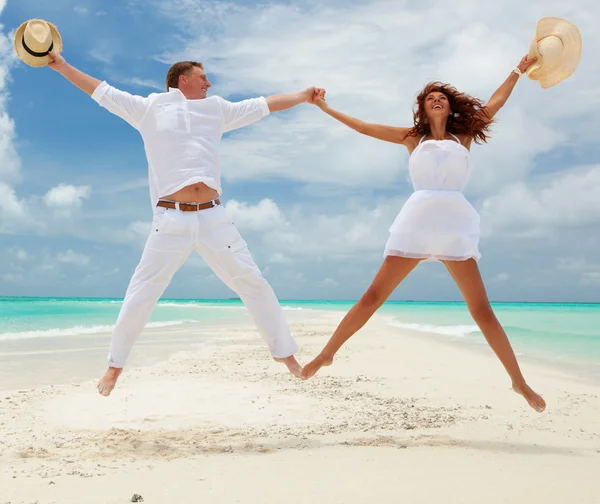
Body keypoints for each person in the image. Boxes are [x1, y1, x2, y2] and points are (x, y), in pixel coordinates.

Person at [46, 51, 325, 396]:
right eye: (202, 77)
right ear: (183, 79)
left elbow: (264, 105)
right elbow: (101, 91)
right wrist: (60, 65)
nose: (209, 83)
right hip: (170, 218)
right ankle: (114, 366)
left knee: (253, 282)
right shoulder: (148, 107)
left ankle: (287, 356)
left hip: (214, 217)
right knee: (142, 293)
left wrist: (302, 96)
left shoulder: (217, 109)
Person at [301, 54, 546, 413]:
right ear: (422, 107)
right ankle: (326, 355)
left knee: (482, 311)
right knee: (372, 296)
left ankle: (518, 382)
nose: (436, 99)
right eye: (431, 96)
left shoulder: (464, 136)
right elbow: (364, 127)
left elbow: (495, 102)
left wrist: (519, 69)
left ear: (449, 107)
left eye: (442, 97)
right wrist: (324, 106)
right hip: (416, 223)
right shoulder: (410, 138)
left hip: (454, 226)